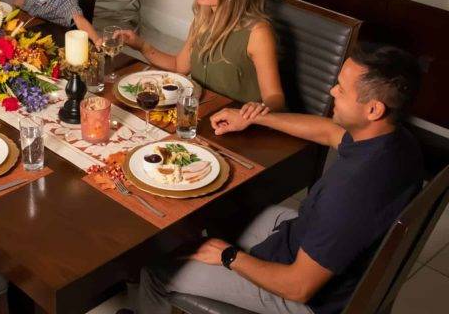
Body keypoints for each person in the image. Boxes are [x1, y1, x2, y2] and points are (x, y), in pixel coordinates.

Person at [136, 44, 424, 314]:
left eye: (342, 89)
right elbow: (329, 132)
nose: (332, 91)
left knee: (156, 270)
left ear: (374, 109)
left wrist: (230, 256)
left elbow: (298, 287)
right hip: (309, 238)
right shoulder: (395, 141)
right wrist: (255, 118)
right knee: (221, 211)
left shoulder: (352, 190)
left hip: (308, 295)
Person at [117, 0, 284, 118]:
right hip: (202, 113)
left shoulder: (258, 33)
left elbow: (275, 98)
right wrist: (141, 45)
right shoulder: (202, 20)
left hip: (240, 121)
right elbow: (179, 66)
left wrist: (256, 110)